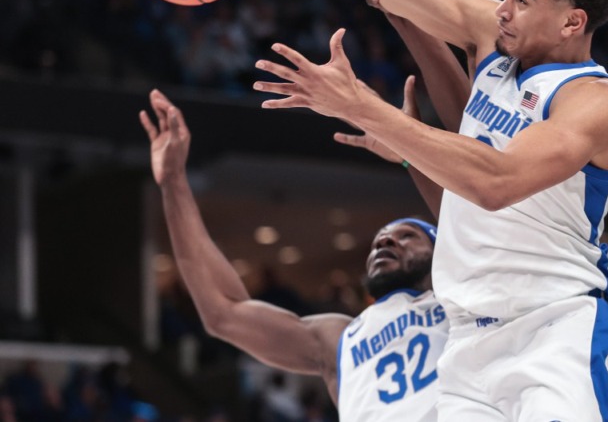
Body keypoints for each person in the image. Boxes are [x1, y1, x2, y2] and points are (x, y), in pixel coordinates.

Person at [205, 0, 608, 421]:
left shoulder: (593, 101)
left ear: (572, 21)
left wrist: (362, 107)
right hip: (465, 343)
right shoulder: (493, 36)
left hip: (552, 329)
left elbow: (495, 182)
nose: (502, 8)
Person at [139, 88, 446, 422]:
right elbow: (223, 312)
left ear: (441, 251)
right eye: (380, 241)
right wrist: (173, 183)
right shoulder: (339, 337)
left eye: (408, 236)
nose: (386, 242)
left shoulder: (457, 303)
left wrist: (408, 150)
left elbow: (473, 219)